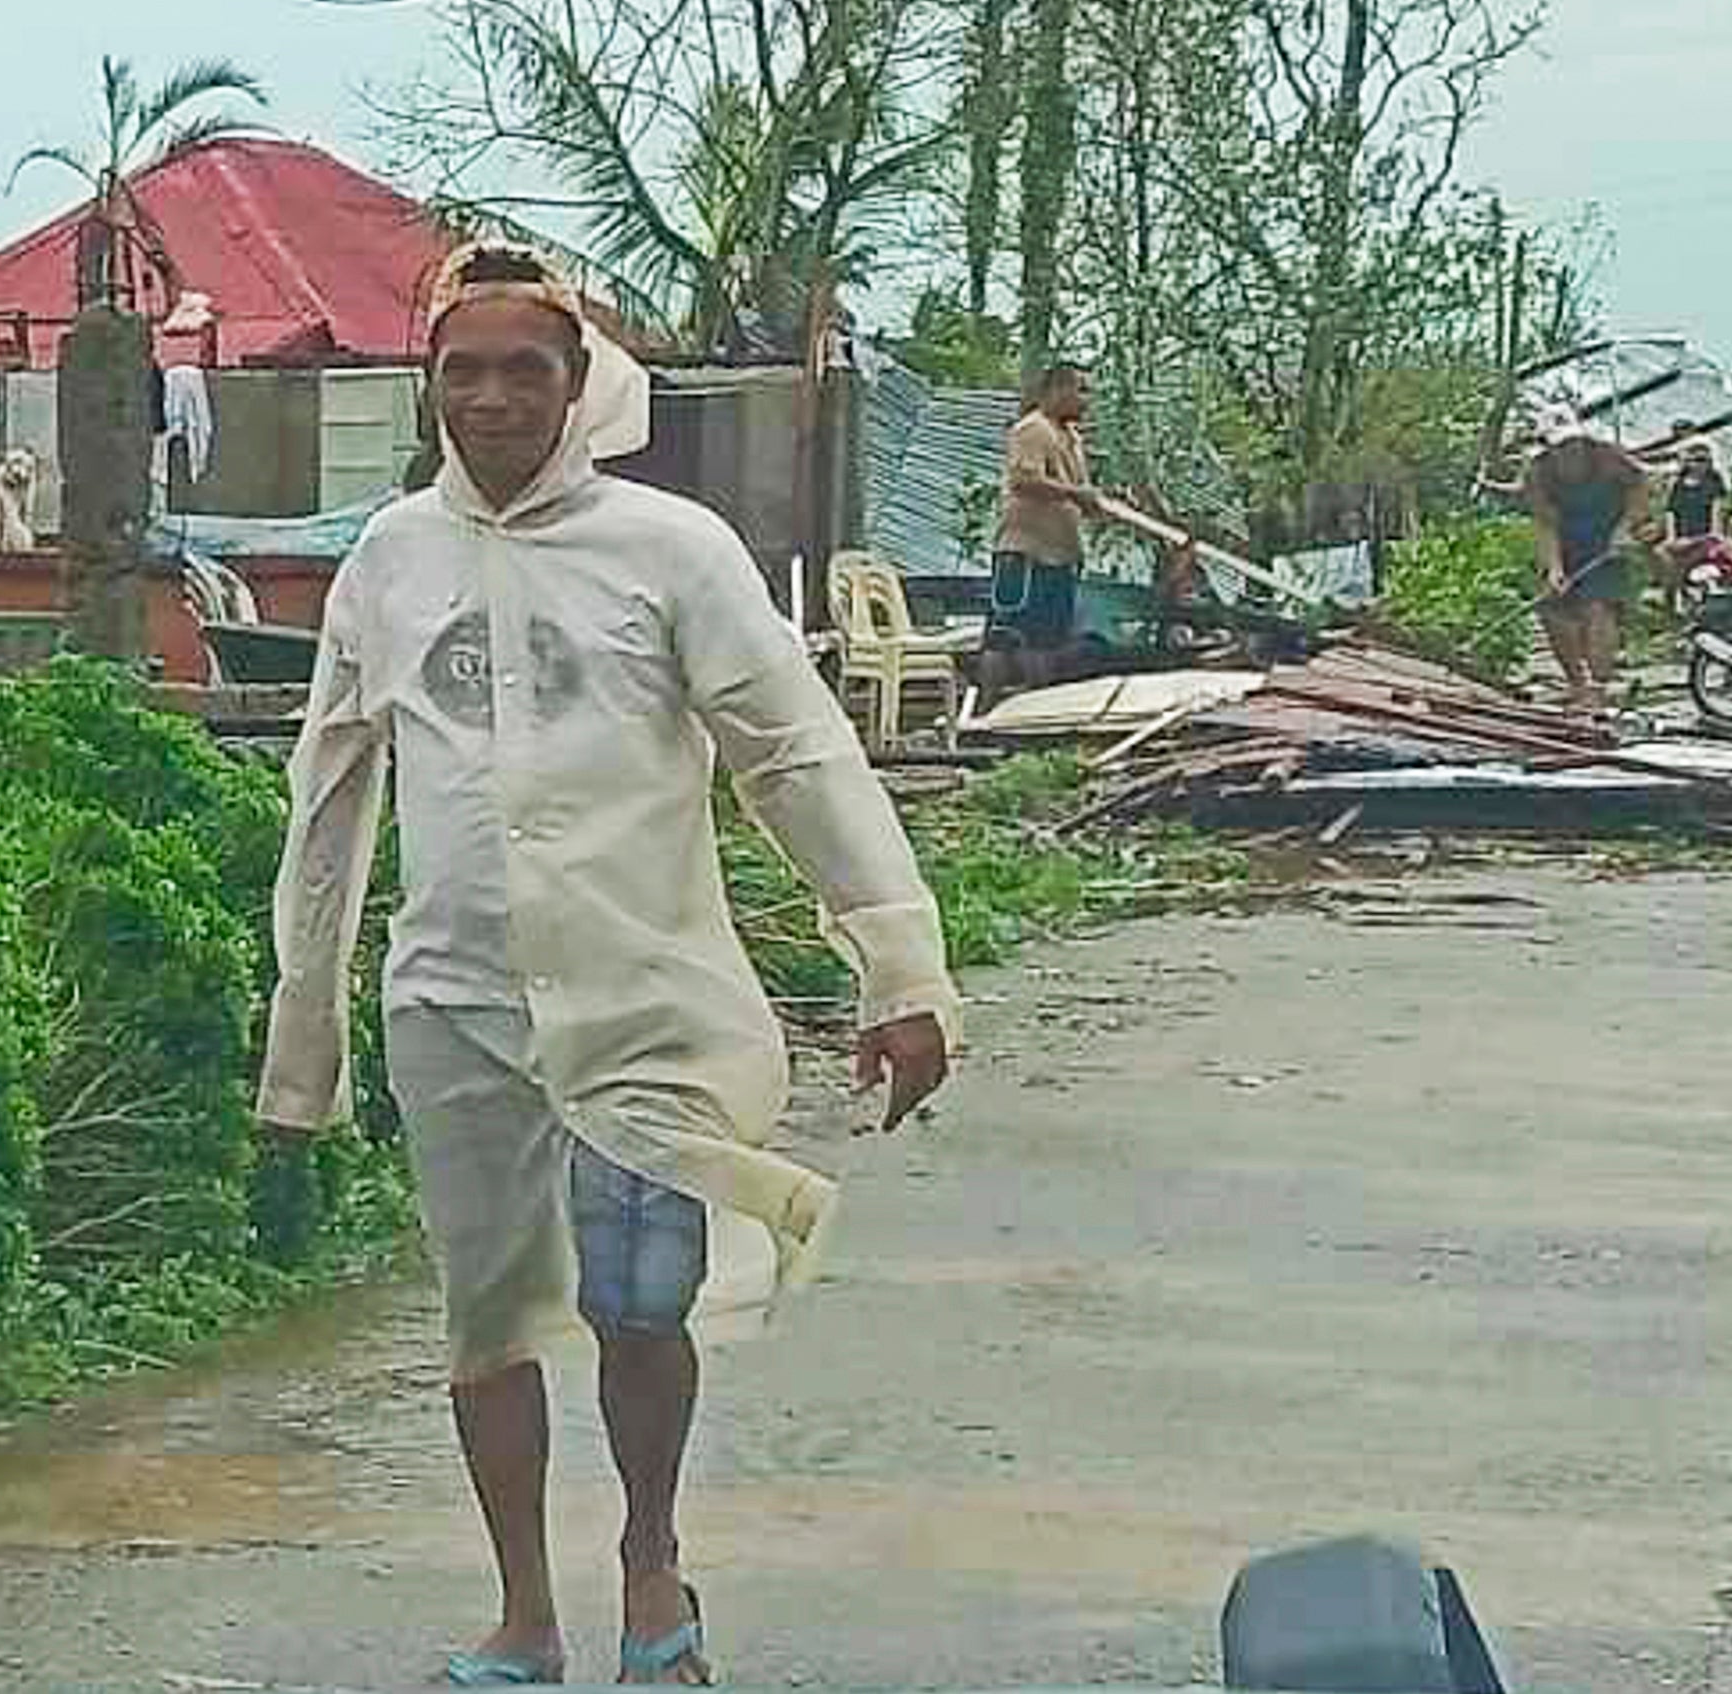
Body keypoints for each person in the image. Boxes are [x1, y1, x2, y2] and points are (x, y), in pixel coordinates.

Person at [258, 243, 958, 1689]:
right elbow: (329, 796)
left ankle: (651, 1556)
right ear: (430, 383)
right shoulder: (390, 563)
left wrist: (900, 965)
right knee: (489, 1313)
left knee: (641, 1298)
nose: (496, 396)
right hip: (457, 1002)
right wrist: (304, 1036)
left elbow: (798, 753)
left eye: (529, 367)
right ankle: (524, 1609)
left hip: (644, 999)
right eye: (466, 368)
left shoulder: (670, 550)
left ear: (581, 384)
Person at [1517, 407, 1647, 718]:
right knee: (1552, 610)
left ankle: (1600, 688)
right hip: (1568, 544)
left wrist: (1625, 528)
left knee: (1597, 609)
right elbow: (1546, 523)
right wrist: (1554, 567)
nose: (1569, 452)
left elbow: (1640, 488)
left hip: (1608, 545)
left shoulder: (1608, 458)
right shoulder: (1537, 473)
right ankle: (1578, 684)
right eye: (1561, 446)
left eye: (1573, 443)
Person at [986, 361, 1100, 694]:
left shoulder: (1072, 438)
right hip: (1026, 555)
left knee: (1049, 639)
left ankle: (1036, 711)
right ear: (1057, 391)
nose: (1086, 400)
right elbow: (1024, 480)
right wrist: (1076, 493)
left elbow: (1078, 490)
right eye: (1081, 390)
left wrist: (1098, 502)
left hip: (1060, 556)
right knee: (1006, 637)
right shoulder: (1032, 429)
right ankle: (985, 711)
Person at [1655, 434, 1731, 613]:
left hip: (1703, 536)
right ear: (1686, 462)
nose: (1700, 464)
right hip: (1682, 536)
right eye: (1696, 460)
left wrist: (1715, 535)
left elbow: (1717, 511)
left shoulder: (1714, 483)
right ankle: (1674, 597)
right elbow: (1671, 512)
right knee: (1664, 555)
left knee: (1681, 559)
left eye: (1704, 460)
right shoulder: (1678, 484)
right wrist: (1671, 537)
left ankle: (1679, 599)